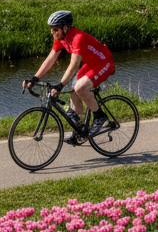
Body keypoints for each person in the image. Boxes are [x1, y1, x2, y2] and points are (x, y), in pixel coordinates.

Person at [24, 10, 114, 145]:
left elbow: (74, 65)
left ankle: (100, 116)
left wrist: (60, 86)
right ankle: (79, 131)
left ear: (65, 28)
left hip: (103, 63)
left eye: (55, 29)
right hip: (90, 64)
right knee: (72, 89)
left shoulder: (77, 38)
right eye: (51, 29)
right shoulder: (62, 38)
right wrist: (35, 78)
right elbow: (51, 58)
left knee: (80, 87)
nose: (52, 32)